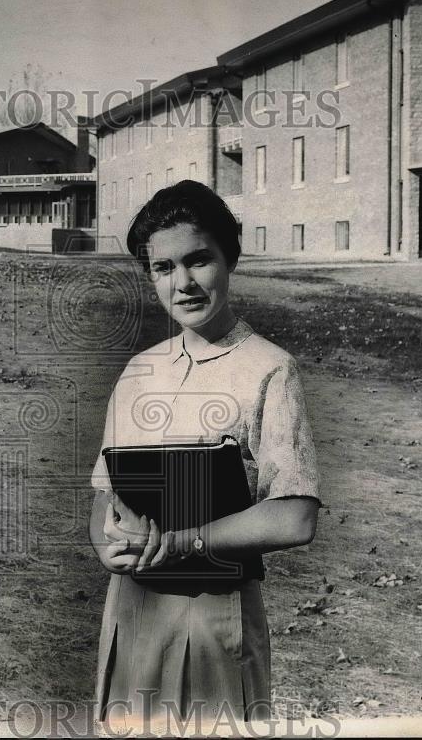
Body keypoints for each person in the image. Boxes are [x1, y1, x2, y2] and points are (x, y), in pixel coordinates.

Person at [88, 180, 321, 733]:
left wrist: (184, 542)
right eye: (163, 268)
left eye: (198, 261)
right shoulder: (139, 371)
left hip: (216, 615)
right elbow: (105, 494)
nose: (183, 283)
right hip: (133, 611)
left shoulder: (268, 368)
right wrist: (106, 546)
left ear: (229, 259)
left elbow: (296, 516)